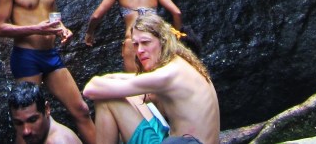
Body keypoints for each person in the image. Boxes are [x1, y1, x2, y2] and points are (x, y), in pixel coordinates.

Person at [0, 0, 95, 144]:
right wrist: (35, 29)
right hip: (26, 57)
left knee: (82, 110)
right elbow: (0, 27)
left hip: (51, 55)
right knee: (26, 124)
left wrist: (62, 29)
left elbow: (53, 16)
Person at [83, 13, 219, 144]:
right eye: (136, 44)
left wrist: (105, 80)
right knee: (126, 95)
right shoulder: (180, 64)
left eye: (145, 42)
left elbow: (90, 90)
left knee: (107, 99)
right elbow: (139, 86)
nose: (140, 50)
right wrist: (112, 78)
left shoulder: (168, 74)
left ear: (162, 41)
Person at [84, 0, 184, 72]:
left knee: (134, 85)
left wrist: (89, 33)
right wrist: (176, 36)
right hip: (154, 41)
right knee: (157, 84)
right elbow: (177, 13)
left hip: (133, 41)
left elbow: (96, 16)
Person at [9, 81, 82, 144]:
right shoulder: (41, 138)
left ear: (47, 109)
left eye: (33, 120)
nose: (26, 131)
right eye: (18, 123)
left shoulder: (60, 141)